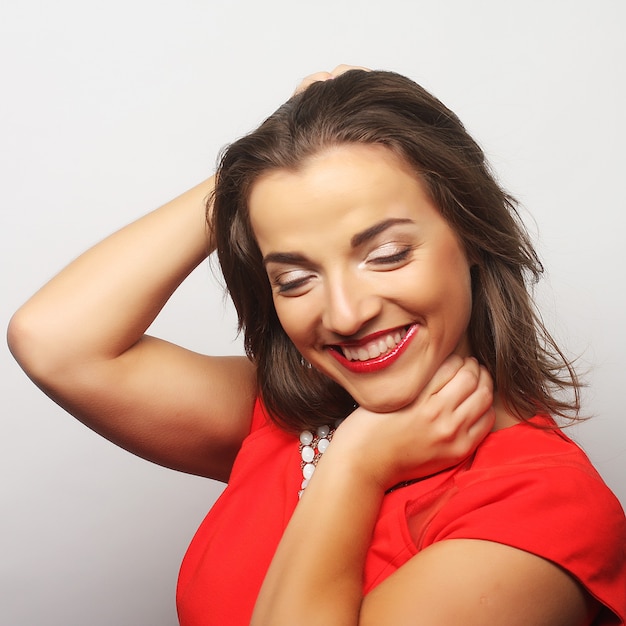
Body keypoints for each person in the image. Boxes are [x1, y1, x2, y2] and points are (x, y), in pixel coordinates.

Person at [8, 65, 626, 625]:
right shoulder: (291, 419)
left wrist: (355, 469)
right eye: (295, 279)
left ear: (471, 233)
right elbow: (56, 341)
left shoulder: (544, 507)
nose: (346, 313)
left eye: (386, 254)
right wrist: (261, 168)